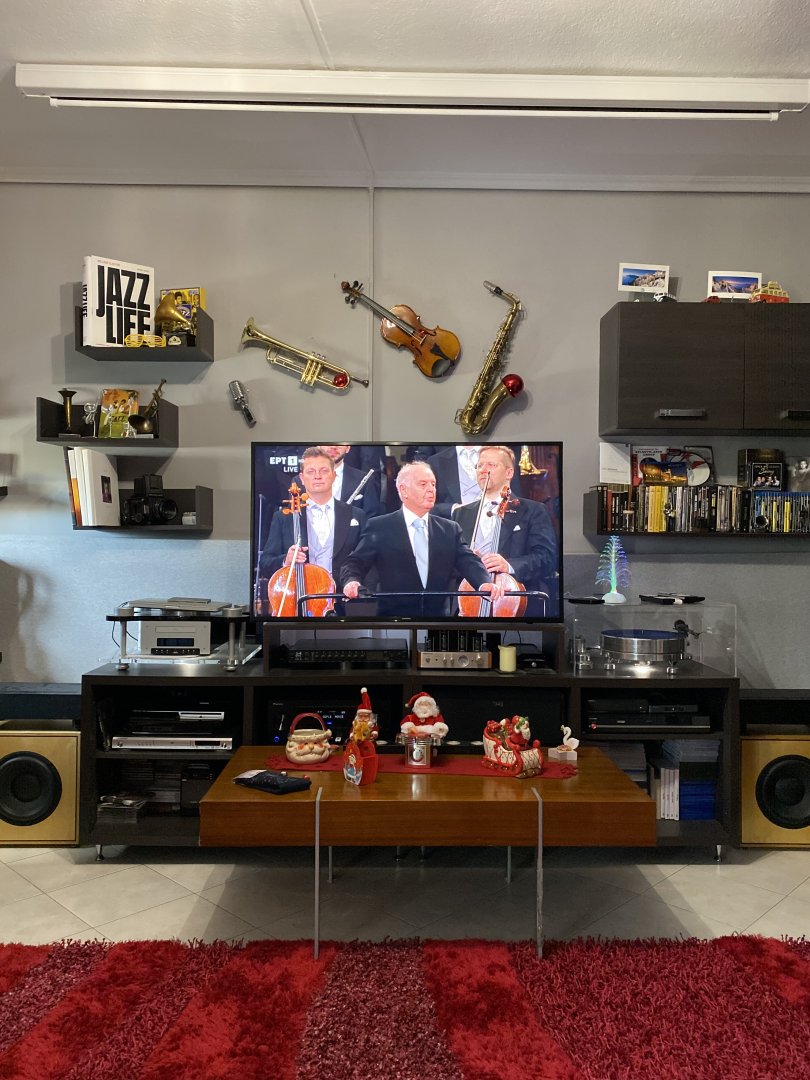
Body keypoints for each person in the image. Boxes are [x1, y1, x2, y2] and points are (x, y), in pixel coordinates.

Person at [340, 461, 502, 617]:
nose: (431, 489)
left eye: (433, 484)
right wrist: (351, 581)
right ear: (403, 490)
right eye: (423, 484)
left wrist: (484, 583)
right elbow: (355, 562)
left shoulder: (450, 529)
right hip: (394, 621)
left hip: (438, 621)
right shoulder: (380, 526)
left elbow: (469, 561)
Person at [452, 445, 558, 617]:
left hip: (516, 604)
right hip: (468, 603)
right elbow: (449, 564)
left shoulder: (533, 510)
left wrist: (508, 565)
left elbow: (547, 559)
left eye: (491, 465)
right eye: (479, 465)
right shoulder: (461, 513)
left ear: (509, 473)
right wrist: (468, 561)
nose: (483, 470)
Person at [260, 447, 366, 610]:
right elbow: (265, 563)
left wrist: (355, 585)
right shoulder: (284, 517)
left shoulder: (357, 515)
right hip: (297, 601)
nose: (317, 476)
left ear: (334, 475)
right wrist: (285, 560)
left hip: (344, 603)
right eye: (311, 471)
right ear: (301, 478)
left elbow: (366, 562)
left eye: (324, 471)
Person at [318, 443, 382, 518]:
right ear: (318, 446)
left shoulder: (366, 480)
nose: (334, 446)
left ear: (348, 448)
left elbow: (371, 519)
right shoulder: (305, 479)